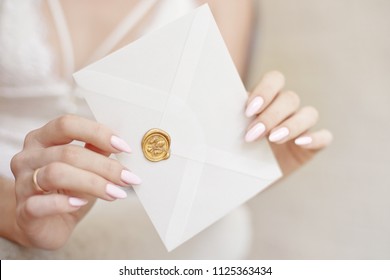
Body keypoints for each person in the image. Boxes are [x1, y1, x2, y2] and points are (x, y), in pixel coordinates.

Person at [0, 0, 332, 258]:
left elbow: (195, 148)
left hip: (126, 201)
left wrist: (247, 163)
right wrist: (15, 215)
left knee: (227, 228)